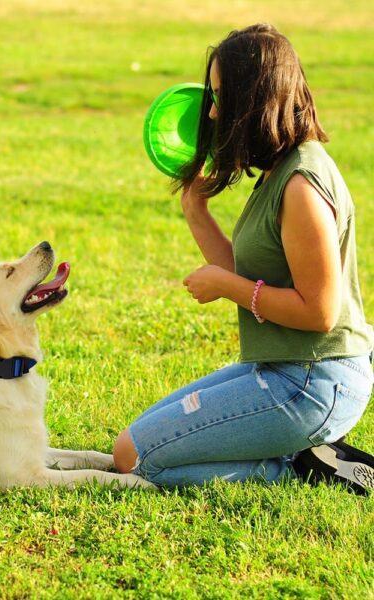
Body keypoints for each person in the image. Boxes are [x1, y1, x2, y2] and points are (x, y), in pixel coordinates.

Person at [113, 23, 374, 492]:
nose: (211, 112)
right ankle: (295, 452)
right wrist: (195, 209)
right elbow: (252, 273)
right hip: (280, 368)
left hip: (313, 382)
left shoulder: (300, 184)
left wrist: (224, 286)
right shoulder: (278, 170)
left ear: (252, 99)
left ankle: (295, 467)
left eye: (219, 97)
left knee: (136, 460)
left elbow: (319, 313)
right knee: (130, 445)